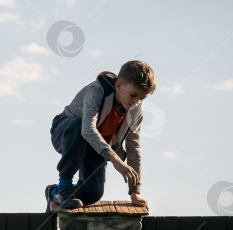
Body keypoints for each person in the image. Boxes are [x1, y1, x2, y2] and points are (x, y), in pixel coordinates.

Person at [46, 60, 155, 212]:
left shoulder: (135, 112)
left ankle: (54, 192)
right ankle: (64, 186)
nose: (137, 102)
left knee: (93, 193)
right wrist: (116, 160)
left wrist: (134, 192)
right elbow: (87, 129)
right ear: (118, 86)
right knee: (78, 125)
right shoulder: (97, 91)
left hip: (96, 145)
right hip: (66, 131)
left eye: (142, 98)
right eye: (133, 95)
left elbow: (133, 148)